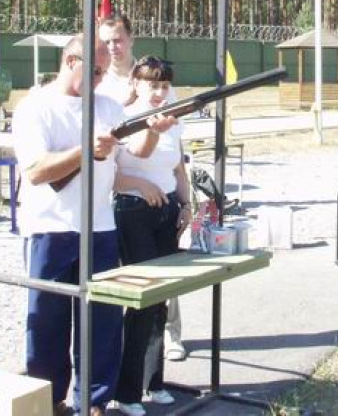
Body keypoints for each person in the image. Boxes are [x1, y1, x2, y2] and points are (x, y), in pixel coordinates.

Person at [12, 34, 176, 416]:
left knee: (102, 323)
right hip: (50, 228)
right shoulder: (35, 107)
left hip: (101, 228)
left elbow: (136, 153)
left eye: (103, 71)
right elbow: (36, 171)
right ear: (71, 61)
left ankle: (94, 402)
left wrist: (154, 131)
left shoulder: (107, 106)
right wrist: (87, 150)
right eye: (96, 70)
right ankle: (49, 402)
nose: (101, 78)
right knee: (47, 324)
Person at [95, 14, 188, 363]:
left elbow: (176, 156)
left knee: (164, 289)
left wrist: (186, 202)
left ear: (131, 39)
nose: (112, 47)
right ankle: (130, 370)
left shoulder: (156, 79)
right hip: (127, 202)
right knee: (139, 290)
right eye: (106, 41)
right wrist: (137, 181)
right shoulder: (103, 86)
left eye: (118, 39)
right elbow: (130, 153)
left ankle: (161, 355)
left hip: (164, 200)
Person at [111, 56, 192, 416]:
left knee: (161, 301)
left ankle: (153, 381)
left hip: (166, 211)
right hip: (133, 212)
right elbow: (136, 153)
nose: (158, 91)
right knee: (141, 301)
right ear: (136, 83)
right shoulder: (124, 116)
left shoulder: (171, 120)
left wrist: (186, 204)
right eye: (151, 84)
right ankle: (126, 392)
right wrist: (153, 131)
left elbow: (178, 169)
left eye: (163, 85)